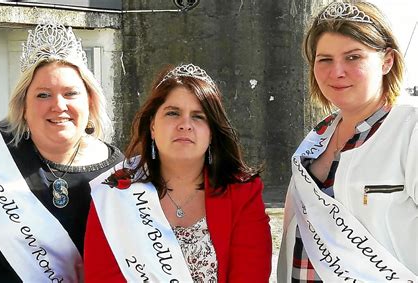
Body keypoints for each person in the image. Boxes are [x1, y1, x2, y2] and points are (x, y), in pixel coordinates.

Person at [0, 21, 123, 282]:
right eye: (43, 95)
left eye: (71, 93)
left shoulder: (118, 173)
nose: (58, 105)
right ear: (23, 106)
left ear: (91, 101)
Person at [84, 63, 272, 282]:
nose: (185, 124)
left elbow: (250, 275)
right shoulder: (114, 194)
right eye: (173, 113)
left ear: (211, 133)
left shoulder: (242, 193)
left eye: (198, 116)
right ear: (153, 126)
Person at [277, 2, 418, 282]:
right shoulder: (316, 138)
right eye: (325, 59)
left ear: (387, 61)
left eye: (353, 57)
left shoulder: (410, 129)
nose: (337, 71)